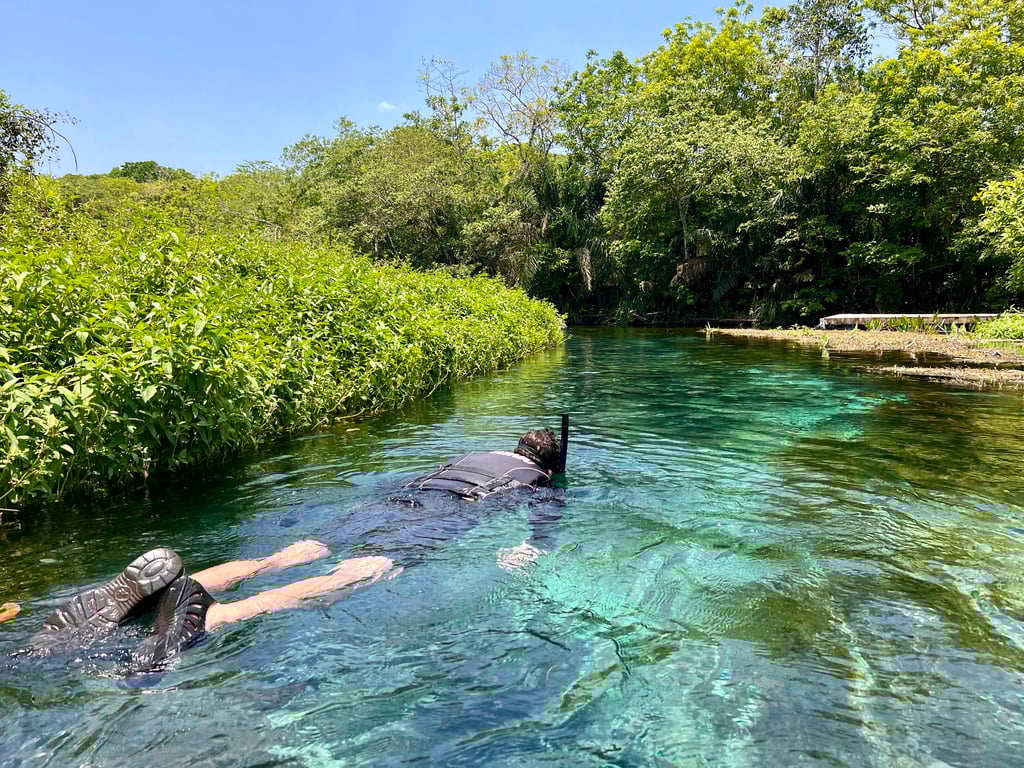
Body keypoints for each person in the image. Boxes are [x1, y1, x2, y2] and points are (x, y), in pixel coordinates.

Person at [19, 428, 563, 668]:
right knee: (368, 570)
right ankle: (211, 618)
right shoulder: (538, 479)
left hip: (394, 498)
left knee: (287, 555)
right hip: (441, 516)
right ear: (548, 463)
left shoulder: (473, 452)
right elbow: (544, 521)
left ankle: (179, 587)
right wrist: (532, 547)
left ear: (516, 446)